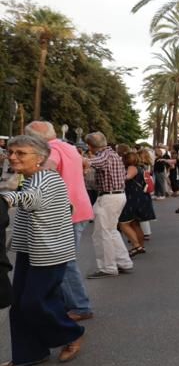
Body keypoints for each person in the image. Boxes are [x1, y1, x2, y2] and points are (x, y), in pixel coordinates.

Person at [0, 135, 85, 366]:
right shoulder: (29, 177)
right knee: (20, 304)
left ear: (39, 158)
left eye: (20, 153)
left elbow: (32, 199)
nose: (13, 156)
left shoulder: (46, 179)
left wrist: (6, 198)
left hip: (50, 252)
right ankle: (29, 353)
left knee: (35, 301)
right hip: (32, 250)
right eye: (11, 152)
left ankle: (72, 334)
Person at [25, 121, 95, 321]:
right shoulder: (68, 147)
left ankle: (80, 306)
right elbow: (85, 163)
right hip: (78, 207)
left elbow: (46, 170)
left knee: (64, 261)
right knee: (65, 260)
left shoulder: (51, 150)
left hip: (65, 211)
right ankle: (72, 303)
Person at [84, 132, 133, 279]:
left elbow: (97, 162)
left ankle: (108, 267)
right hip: (116, 195)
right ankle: (123, 262)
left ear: (91, 145)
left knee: (102, 233)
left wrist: (82, 160)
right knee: (111, 231)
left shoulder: (105, 155)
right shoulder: (112, 154)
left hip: (109, 197)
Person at [117, 151, 156, 256]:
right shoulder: (140, 168)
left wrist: (117, 178)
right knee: (135, 223)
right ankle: (141, 246)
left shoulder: (131, 168)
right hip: (141, 197)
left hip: (133, 198)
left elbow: (127, 177)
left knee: (123, 223)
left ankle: (136, 245)